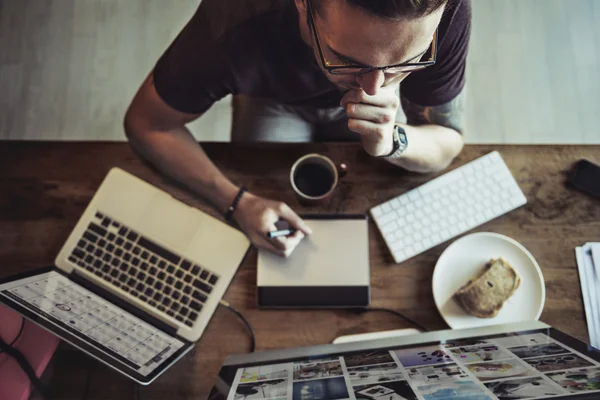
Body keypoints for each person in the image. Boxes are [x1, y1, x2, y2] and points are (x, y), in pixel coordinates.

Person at [124, 0, 471, 257]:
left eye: (407, 62)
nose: (372, 90)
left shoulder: (445, 11)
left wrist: (393, 139)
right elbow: (147, 125)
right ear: (303, 5)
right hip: (274, 100)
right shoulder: (231, 22)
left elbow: (448, 141)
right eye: (347, 61)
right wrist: (236, 202)